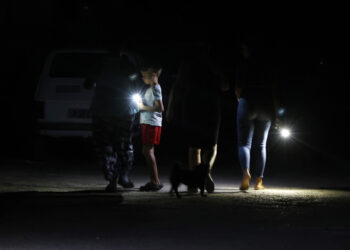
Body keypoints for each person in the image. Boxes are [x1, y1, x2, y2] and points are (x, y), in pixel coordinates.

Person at [166, 41, 230, 193]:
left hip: (191, 105)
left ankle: (194, 183)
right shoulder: (215, 63)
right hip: (211, 105)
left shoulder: (188, 62)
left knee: (194, 147)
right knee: (212, 146)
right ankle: (205, 173)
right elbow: (225, 86)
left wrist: (170, 108)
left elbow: (177, 85)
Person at [84, 48, 142, 192]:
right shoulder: (126, 64)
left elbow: (88, 83)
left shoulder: (100, 64)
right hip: (123, 110)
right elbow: (137, 83)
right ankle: (122, 176)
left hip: (104, 110)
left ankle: (114, 179)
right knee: (123, 144)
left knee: (107, 146)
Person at [235, 33, 280, 190]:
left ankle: (245, 174)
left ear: (248, 49)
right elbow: (275, 91)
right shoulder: (268, 66)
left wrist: (240, 101)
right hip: (266, 105)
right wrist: (277, 114)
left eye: (243, 48)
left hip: (248, 102)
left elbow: (238, 88)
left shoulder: (244, 64)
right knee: (261, 145)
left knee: (243, 144)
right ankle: (259, 181)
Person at [136, 66, 164, 191]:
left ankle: (155, 182)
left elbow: (160, 108)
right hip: (149, 122)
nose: (142, 78)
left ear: (153, 75)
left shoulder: (155, 88)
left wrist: (142, 107)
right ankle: (154, 180)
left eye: (144, 76)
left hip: (151, 123)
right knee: (146, 151)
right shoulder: (152, 89)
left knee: (148, 151)